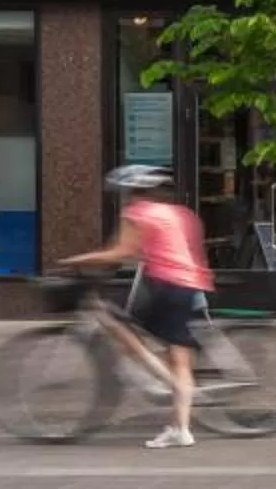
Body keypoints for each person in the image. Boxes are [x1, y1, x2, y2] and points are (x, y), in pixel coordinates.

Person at [63, 164, 214, 450]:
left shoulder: (137, 213)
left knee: (121, 328)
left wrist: (76, 261)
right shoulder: (179, 214)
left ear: (131, 192)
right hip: (190, 284)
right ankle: (179, 425)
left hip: (167, 286)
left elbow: (122, 252)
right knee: (176, 354)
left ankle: (170, 388)